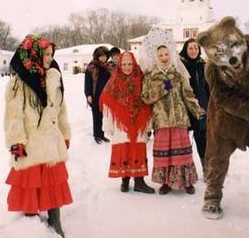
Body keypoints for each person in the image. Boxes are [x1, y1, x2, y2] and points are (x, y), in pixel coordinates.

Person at [4, 35, 72, 237]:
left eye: (52, 54)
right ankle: (31, 221)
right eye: (46, 54)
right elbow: (13, 114)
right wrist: (16, 141)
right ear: (35, 54)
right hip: (31, 141)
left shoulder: (54, 77)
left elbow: (61, 108)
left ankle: (54, 218)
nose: (50, 58)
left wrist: (65, 131)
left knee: (53, 181)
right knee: (31, 182)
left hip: (51, 138)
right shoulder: (19, 82)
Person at [141, 44, 204, 195]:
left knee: (183, 151)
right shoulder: (150, 75)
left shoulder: (178, 73)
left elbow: (188, 94)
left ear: (171, 55)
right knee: (164, 152)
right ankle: (166, 182)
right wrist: (165, 86)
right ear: (156, 57)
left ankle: (187, 181)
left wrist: (196, 110)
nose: (164, 58)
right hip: (161, 119)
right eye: (161, 55)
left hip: (179, 118)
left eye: (166, 54)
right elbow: (146, 97)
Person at [99, 51, 155, 194]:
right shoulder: (113, 81)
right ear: (119, 64)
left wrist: (148, 123)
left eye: (130, 64)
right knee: (124, 148)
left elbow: (147, 102)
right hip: (121, 125)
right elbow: (107, 103)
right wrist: (109, 125)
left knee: (138, 148)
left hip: (138, 122)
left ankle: (139, 181)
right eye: (124, 64)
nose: (127, 67)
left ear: (134, 64)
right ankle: (125, 179)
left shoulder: (141, 79)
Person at [179, 38, 210, 173]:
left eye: (196, 48)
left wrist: (208, 105)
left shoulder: (203, 65)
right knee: (183, 141)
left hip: (200, 107)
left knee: (202, 138)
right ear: (185, 49)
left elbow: (208, 87)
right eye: (190, 48)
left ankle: (206, 168)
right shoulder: (179, 65)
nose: (193, 51)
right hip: (183, 107)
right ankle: (186, 170)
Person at [84, 46, 111, 144]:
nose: (103, 58)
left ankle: (102, 134)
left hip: (106, 96)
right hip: (95, 96)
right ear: (97, 56)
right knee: (96, 116)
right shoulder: (91, 67)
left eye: (105, 56)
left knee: (104, 116)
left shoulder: (108, 67)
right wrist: (88, 95)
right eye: (101, 56)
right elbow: (87, 82)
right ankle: (97, 135)